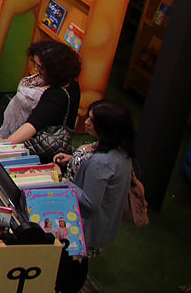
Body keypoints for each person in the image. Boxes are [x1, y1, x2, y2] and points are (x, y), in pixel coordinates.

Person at [52, 100, 135, 293]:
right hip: (93, 226)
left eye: (92, 120)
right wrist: (73, 159)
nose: (87, 122)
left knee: (70, 267)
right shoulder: (119, 151)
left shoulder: (102, 163)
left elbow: (90, 200)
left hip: (80, 228)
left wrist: (60, 179)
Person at [1, 40, 81, 162]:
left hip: (42, 154)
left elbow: (33, 124)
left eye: (40, 67)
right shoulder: (71, 82)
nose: (36, 69)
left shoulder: (56, 96)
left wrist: (5, 146)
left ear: (54, 69)